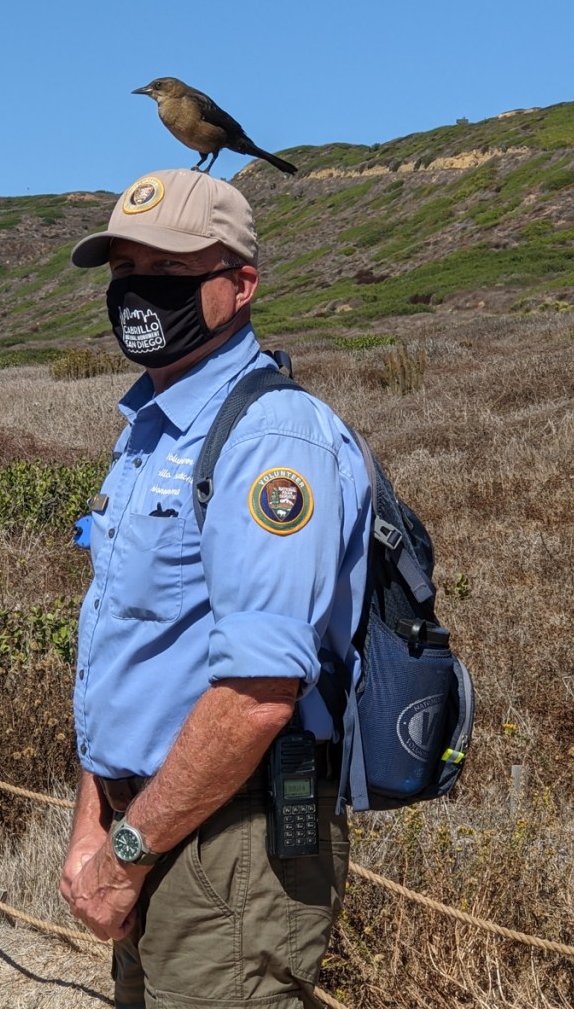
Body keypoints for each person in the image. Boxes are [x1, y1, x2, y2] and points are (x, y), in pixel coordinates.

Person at [59, 168, 372, 1009]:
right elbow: (131, 644)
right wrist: (97, 814)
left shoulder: (270, 437)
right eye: (126, 273)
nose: (138, 295)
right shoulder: (150, 432)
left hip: (231, 843)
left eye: (167, 275)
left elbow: (259, 693)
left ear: (240, 287)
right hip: (152, 823)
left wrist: (125, 853)